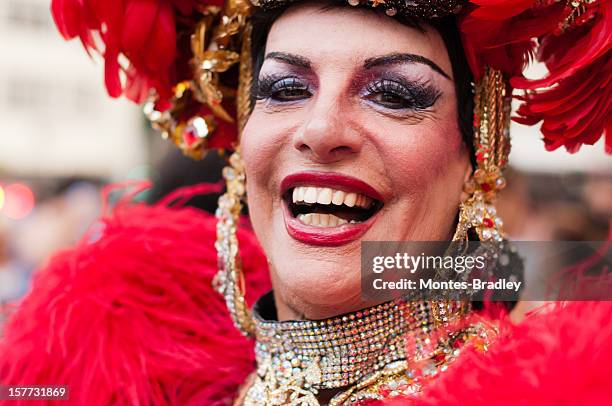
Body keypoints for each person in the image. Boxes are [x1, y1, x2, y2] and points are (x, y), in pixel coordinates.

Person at [1, 0, 611, 405]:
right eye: (286, 88)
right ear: (240, 146)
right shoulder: (115, 382)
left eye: (394, 93)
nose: (320, 130)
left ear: (478, 151)